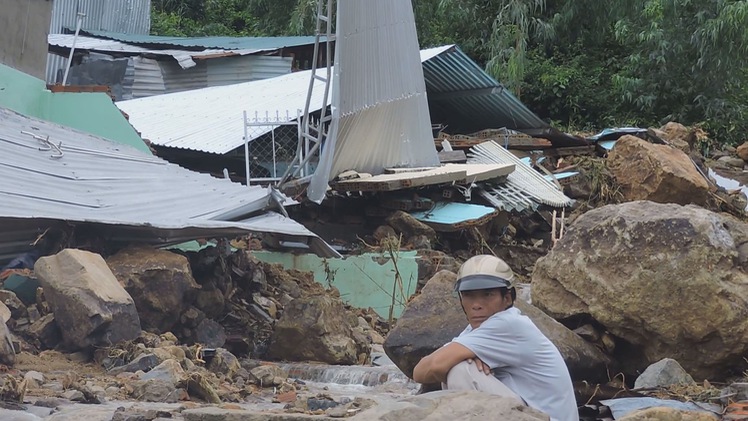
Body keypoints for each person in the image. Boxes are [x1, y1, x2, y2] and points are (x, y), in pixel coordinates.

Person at [412, 255, 579, 421]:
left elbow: (435, 365)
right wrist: (462, 359)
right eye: (469, 295)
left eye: (488, 294)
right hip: (531, 414)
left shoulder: (508, 324)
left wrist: (456, 361)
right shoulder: (475, 330)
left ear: (507, 298)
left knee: (460, 371)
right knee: (460, 366)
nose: (476, 304)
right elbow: (419, 371)